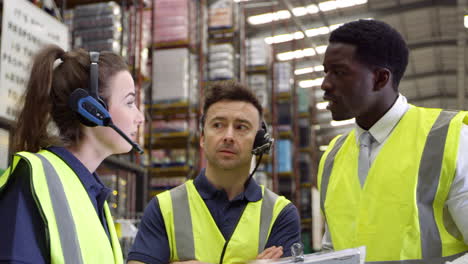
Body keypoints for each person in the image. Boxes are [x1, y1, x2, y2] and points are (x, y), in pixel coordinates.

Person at [317, 19, 468, 263]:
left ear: (380, 79)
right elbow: (334, 250)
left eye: (339, 72)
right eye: (325, 72)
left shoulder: (450, 139)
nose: (325, 84)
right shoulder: (333, 157)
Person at [128, 81, 301, 264]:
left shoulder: (280, 213)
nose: (228, 136)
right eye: (218, 125)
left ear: (258, 142)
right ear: (203, 138)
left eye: (241, 127)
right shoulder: (164, 208)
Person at [0, 45, 144, 263]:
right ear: (92, 109)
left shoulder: (96, 199)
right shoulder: (33, 178)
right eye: (130, 103)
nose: (139, 117)